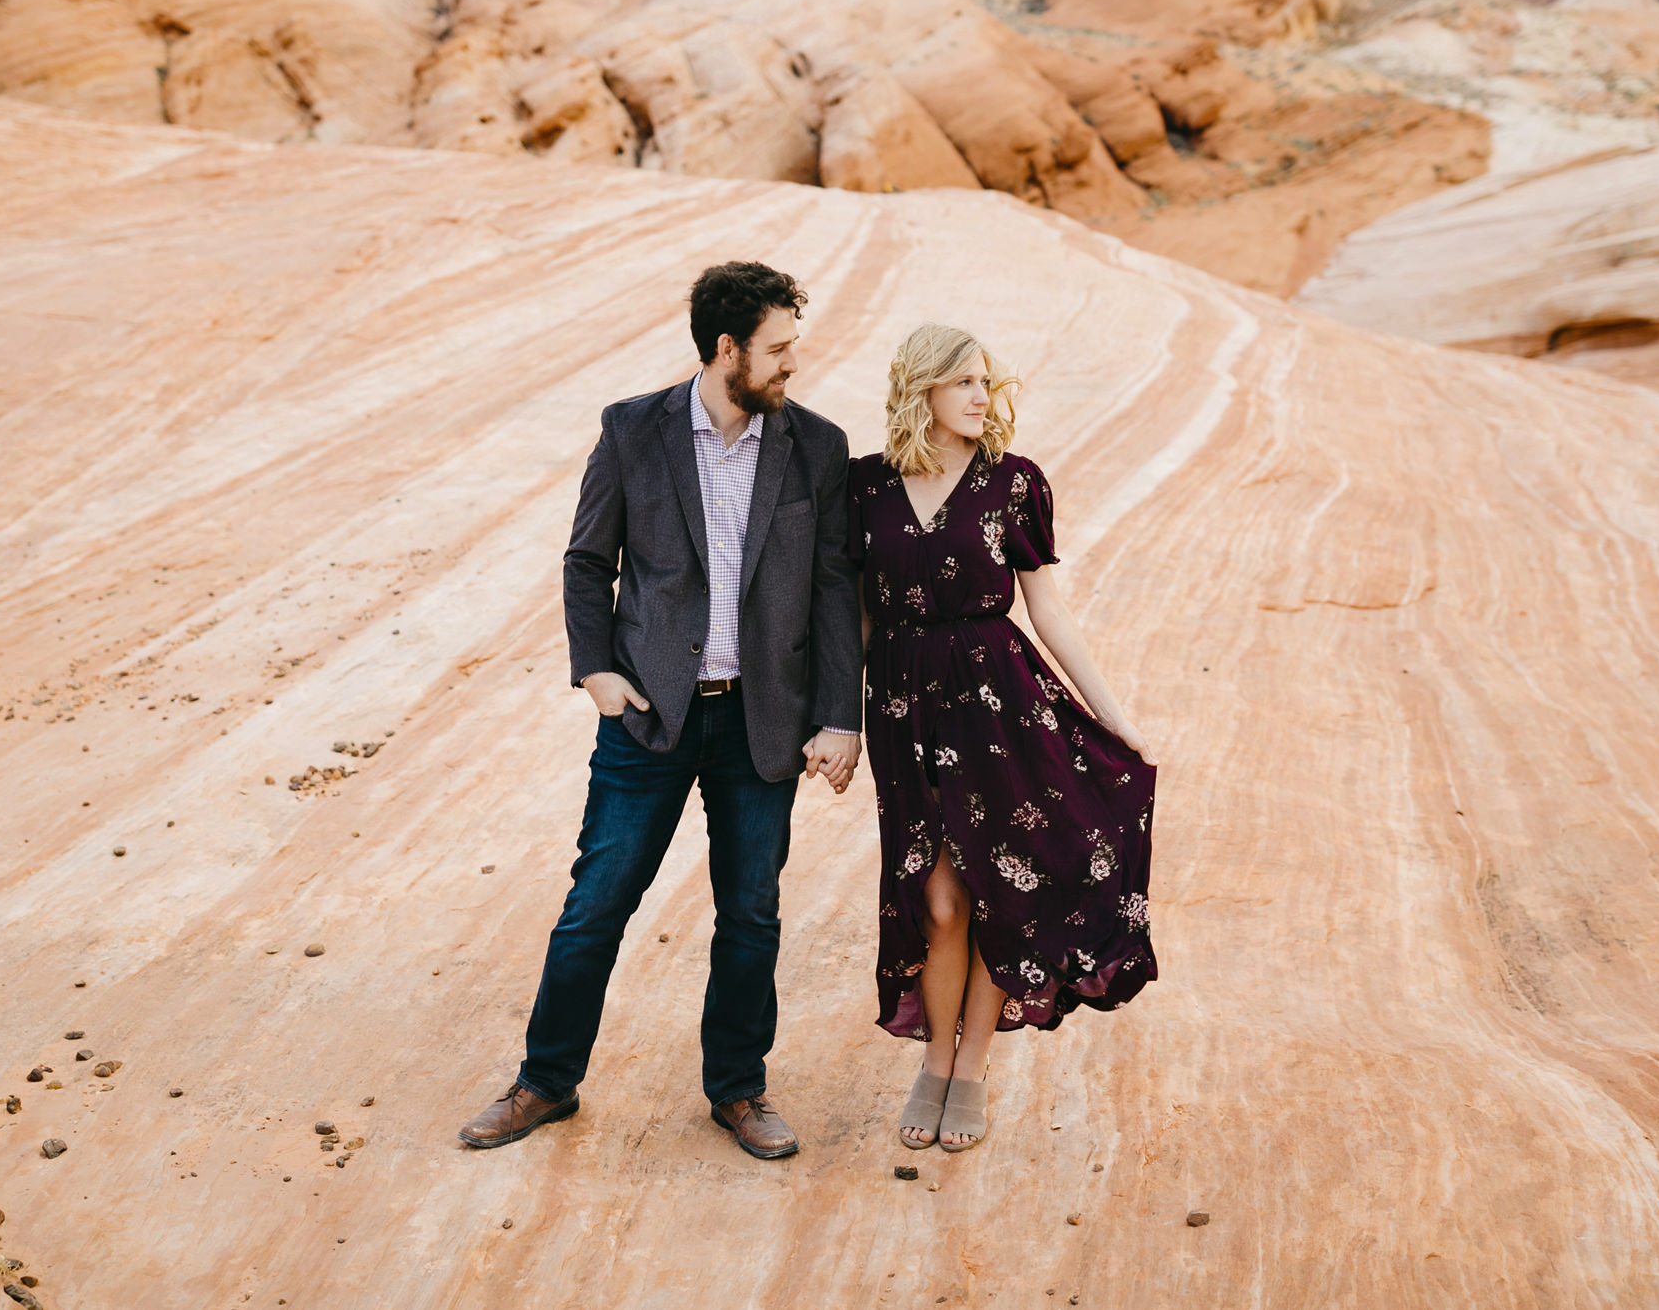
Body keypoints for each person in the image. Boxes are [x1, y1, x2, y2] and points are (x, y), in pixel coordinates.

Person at [458, 261, 862, 1160]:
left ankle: (739, 1091)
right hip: (648, 717)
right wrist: (594, 671)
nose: (793, 364)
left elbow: (835, 586)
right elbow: (584, 562)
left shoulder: (818, 447)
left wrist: (843, 715)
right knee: (597, 901)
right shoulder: (632, 431)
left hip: (763, 722)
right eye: (778, 349)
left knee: (751, 912)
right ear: (727, 351)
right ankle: (545, 1082)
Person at [843, 323, 1156, 1153]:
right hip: (905, 710)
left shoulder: (1012, 483)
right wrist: (838, 716)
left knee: (994, 896)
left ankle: (964, 1070)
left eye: (987, 383)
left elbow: (1046, 608)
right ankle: (934, 1062)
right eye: (965, 384)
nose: (984, 397)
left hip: (998, 704)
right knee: (938, 902)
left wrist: (1115, 716)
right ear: (923, 392)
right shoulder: (863, 488)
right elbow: (859, 618)